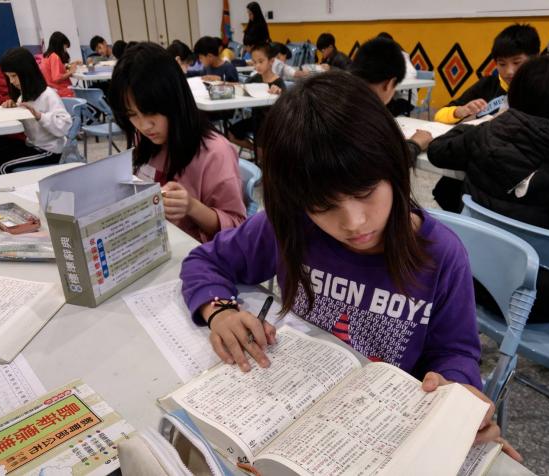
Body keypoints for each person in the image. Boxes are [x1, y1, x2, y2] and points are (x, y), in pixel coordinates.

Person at [180, 70, 521, 461]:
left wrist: (456, 393)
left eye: (366, 192)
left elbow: (456, 351)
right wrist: (219, 310)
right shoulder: (290, 226)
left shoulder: (440, 253)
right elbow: (205, 260)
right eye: (323, 206)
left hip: (386, 426)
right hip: (296, 403)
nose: (355, 223)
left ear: (393, 170)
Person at [428, 55, 549, 323]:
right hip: (534, 298)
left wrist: (483, 123)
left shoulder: (489, 132)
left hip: (475, 279)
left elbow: (438, 150)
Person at [109, 42, 246, 242]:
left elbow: (238, 228)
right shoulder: (145, 140)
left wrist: (192, 207)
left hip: (196, 255)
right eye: (132, 114)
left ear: (174, 99)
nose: (144, 126)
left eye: (151, 112)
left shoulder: (215, 153)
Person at [432, 24, 540, 212]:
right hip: (481, 162)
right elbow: (440, 114)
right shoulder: (488, 85)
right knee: (446, 191)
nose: (509, 71)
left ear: (535, 58)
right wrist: (460, 111)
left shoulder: (542, 89)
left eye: (517, 62)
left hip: (517, 172)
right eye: (502, 64)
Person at [0, 48, 71, 176]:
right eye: (8, 77)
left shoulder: (48, 95)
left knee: (2, 166)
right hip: (32, 145)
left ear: (27, 72)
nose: (11, 81)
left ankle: (9, 188)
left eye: (14, 76)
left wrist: (40, 116)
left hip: (49, 150)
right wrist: (13, 107)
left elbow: (64, 126)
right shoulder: (22, 97)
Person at [228, 43, 285, 149]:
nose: (257, 65)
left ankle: (261, 153)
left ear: (271, 61)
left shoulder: (278, 82)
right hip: (255, 119)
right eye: (254, 62)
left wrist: (278, 92)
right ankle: (257, 152)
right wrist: (223, 84)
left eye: (261, 61)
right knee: (230, 134)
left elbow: (285, 104)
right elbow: (242, 86)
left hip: (271, 123)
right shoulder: (255, 78)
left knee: (263, 137)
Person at [376, 31, 418, 116]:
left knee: (383, 112)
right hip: (394, 96)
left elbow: (408, 75)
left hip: (406, 99)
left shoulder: (400, 57)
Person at [40, 31, 80, 98]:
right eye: (65, 47)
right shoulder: (54, 57)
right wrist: (71, 72)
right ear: (60, 45)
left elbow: (55, 69)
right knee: (80, 93)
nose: (65, 50)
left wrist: (70, 66)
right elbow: (57, 78)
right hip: (62, 91)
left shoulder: (45, 57)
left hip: (52, 90)